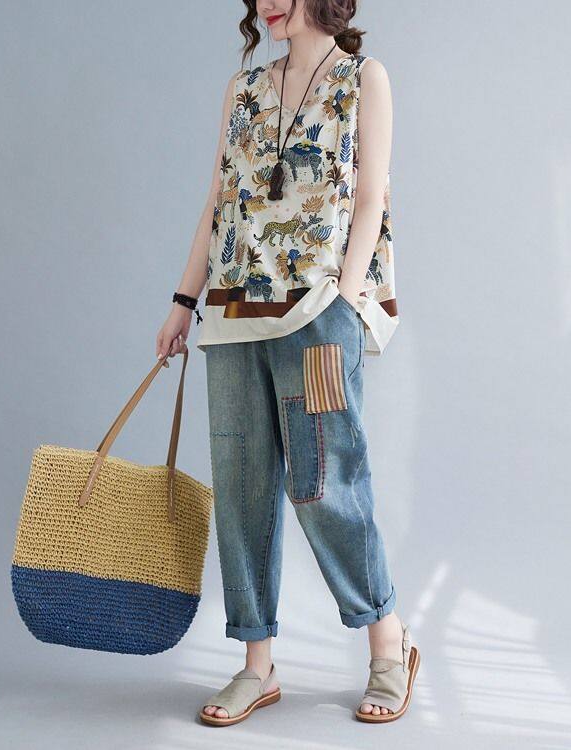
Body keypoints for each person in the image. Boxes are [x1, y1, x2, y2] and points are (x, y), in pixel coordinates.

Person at [155, 0, 420, 726]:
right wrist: (183, 300)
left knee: (325, 482)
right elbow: (219, 200)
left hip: (319, 313)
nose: (265, 3)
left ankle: (388, 643)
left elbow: (370, 197)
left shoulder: (364, 78)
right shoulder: (243, 89)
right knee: (243, 490)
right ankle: (257, 664)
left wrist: (345, 303)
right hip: (234, 313)